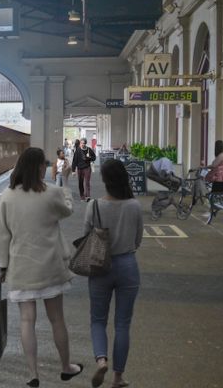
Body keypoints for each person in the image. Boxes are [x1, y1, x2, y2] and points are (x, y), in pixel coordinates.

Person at [0, 147, 82, 387]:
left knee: (27, 321)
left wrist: (2, 267)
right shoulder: (51, 193)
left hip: (21, 268)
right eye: (44, 164)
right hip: (50, 267)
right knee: (57, 319)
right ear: (39, 168)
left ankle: (33, 374)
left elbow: (3, 236)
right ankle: (66, 367)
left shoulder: (7, 197)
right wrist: (65, 181)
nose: (46, 167)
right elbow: (68, 209)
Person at [86, 159, 144, 388]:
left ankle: (101, 359)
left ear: (104, 180)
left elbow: (85, 235)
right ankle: (118, 377)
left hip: (101, 266)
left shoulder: (94, 206)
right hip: (128, 266)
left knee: (98, 320)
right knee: (122, 324)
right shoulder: (134, 205)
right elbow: (138, 239)